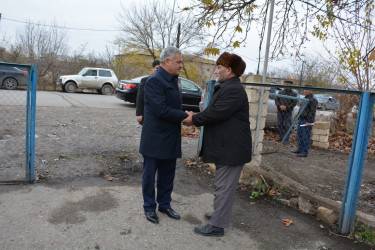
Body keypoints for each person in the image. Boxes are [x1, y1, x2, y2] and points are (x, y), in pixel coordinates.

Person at [183, 52, 252, 237]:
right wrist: (195, 116)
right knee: (222, 185)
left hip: (232, 149)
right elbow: (214, 111)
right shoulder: (228, 87)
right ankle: (218, 215)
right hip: (227, 147)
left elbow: (216, 114)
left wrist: (194, 119)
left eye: (219, 67)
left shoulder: (233, 90)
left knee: (224, 187)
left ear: (229, 70)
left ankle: (217, 225)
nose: (216, 71)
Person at [139, 47, 188, 224]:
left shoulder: (174, 80)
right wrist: (185, 116)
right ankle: (149, 207)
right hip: (155, 137)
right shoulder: (154, 81)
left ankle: (165, 205)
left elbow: (173, 106)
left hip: (170, 136)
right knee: (150, 175)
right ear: (167, 62)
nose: (181, 65)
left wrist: (184, 113)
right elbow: (161, 110)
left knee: (168, 174)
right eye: (179, 62)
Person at [291, 85, 318, 157]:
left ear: (311, 90)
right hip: (301, 120)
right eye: (305, 89)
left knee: (305, 136)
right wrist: (298, 118)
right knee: (300, 135)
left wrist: (309, 121)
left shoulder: (313, 100)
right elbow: (300, 109)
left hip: (307, 121)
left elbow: (312, 111)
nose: (305, 91)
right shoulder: (304, 99)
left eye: (307, 90)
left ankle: (304, 152)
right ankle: (299, 149)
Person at [136, 60, 160, 124]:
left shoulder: (164, 81)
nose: (158, 70)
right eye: (157, 68)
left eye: (160, 69)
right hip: (147, 113)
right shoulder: (145, 80)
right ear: (153, 69)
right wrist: (139, 114)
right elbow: (140, 97)